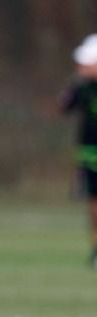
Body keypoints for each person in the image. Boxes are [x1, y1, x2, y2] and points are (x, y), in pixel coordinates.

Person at [61, 34, 97, 269]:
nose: (81, 67)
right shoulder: (81, 89)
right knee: (93, 204)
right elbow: (64, 106)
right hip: (89, 154)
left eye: (87, 63)